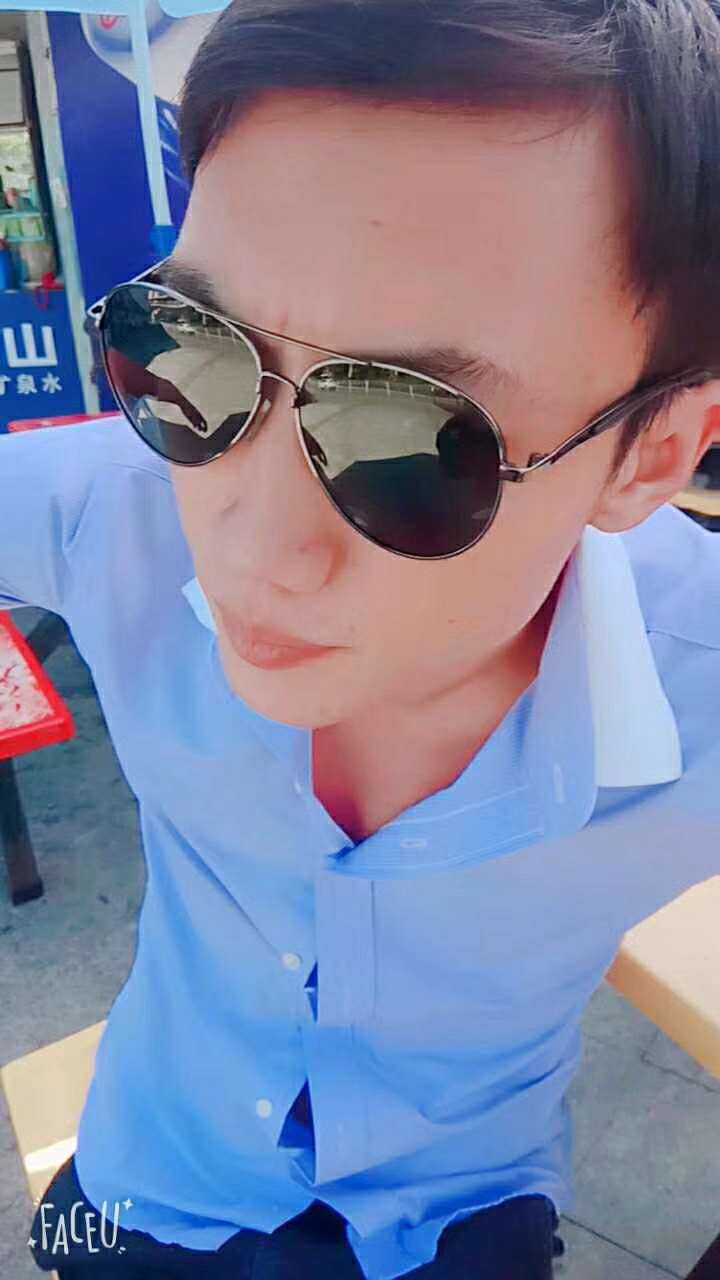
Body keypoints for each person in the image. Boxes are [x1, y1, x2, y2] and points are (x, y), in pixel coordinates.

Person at [4, 1, 720, 1276]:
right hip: (152, 1172)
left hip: (457, 1209)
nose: (256, 544)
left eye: (416, 443)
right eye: (188, 351)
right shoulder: (124, 508)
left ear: (651, 455)